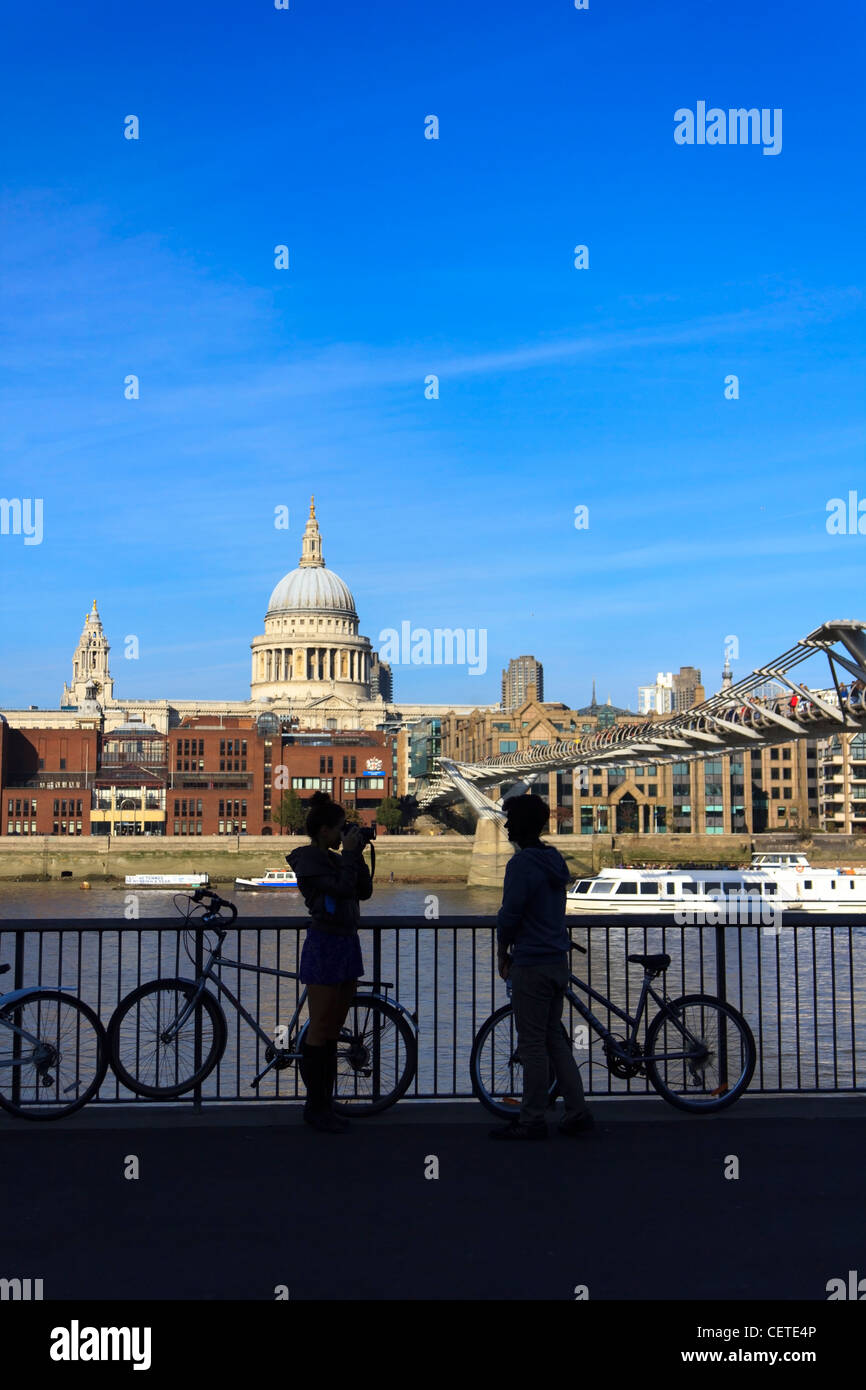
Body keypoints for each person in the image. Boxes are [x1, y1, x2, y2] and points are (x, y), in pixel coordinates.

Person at [490, 793, 595, 1142]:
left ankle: (532, 1119)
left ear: (521, 825)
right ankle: (577, 1111)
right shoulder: (553, 860)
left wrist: (502, 949)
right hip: (556, 960)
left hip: (532, 963)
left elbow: (510, 914)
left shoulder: (521, 866)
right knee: (554, 1040)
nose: (505, 826)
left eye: (509, 819)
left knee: (532, 1044)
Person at [287, 792, 373, 1133]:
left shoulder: (340, 858)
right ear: (323, 831)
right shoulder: (308, 861)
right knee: (320, 1030)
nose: (343, 834)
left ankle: (325, 1105)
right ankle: (316, 1106)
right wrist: (350, 855)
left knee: (333, 1030)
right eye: (339, 829)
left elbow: (362, 890)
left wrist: (357, 855)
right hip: (325, 943)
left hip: (345, 941)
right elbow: (339, 889)